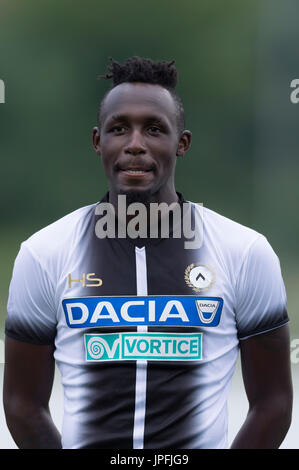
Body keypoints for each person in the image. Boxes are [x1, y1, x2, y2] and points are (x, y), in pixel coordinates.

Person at [3, 56, 292, 449]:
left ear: (182, 143)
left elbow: (273, 402)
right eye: (119, 129)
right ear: (97, 141)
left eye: (155, 130)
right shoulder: (44, 253)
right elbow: (22, 403)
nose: (135, 144)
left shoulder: (245, 252)